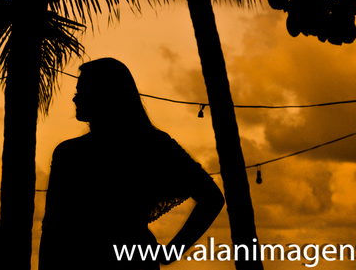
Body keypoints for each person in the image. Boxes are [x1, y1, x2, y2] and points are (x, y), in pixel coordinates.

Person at [39, 58, 224, 268]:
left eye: (82, 92)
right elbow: (212, 198)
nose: (75, 99)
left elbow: (53, 228)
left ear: (105, 96)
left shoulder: (70, 153)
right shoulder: (154, 144)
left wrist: (173, 251)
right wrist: (172, 251)